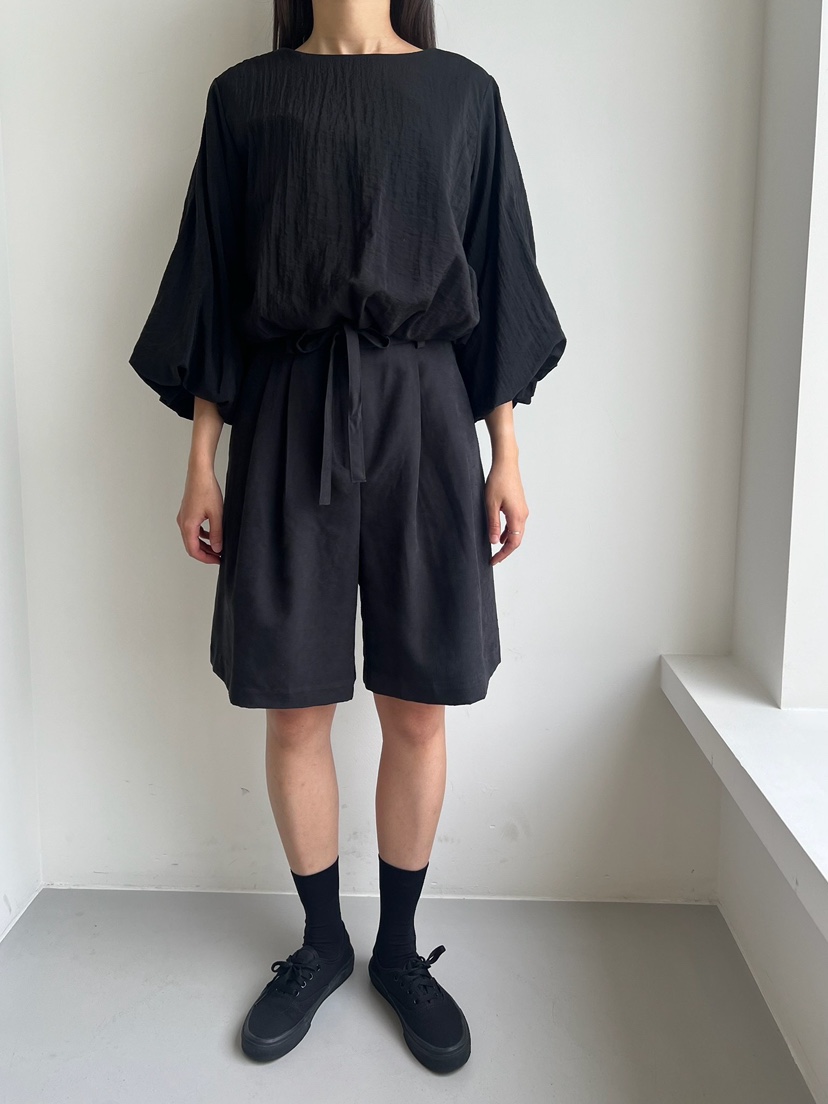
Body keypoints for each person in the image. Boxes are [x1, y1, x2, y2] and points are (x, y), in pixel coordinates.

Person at [128, 0, 567, 1076]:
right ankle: (322, 943)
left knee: (419, 702)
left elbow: (497, 270)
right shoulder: (245, 97)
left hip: (426, 415)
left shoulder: (463, 94)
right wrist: (201, 460)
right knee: (294, 701)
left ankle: (400, 952)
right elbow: (215, 280)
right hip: (288, 412)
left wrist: (506, 453)